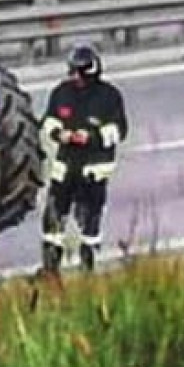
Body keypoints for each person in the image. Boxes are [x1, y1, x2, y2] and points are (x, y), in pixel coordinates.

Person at [40, 44, 129, 275]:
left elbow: (120, 130)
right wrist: (60, 134)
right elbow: (49, 120)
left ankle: (87, 264)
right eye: (71, 71)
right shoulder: (62, 92)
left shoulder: (109, 96)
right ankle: (51, 265)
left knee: (90, 220)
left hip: (93, 171)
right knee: (53, 216)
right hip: (65, 167)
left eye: (78, 72)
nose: (73, 77)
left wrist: (91, 137)